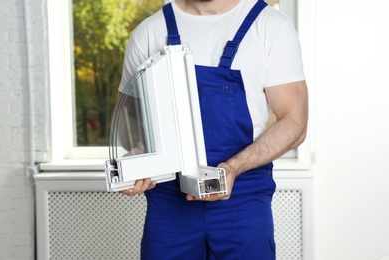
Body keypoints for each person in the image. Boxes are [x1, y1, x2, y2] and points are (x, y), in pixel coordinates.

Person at [119, 0, 308, 259]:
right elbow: (130, 119)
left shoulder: (270, 26)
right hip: (170, 203)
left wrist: (233, 168)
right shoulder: (150, 32)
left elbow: (295, 122)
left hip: (242, 197)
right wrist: (139, 155)